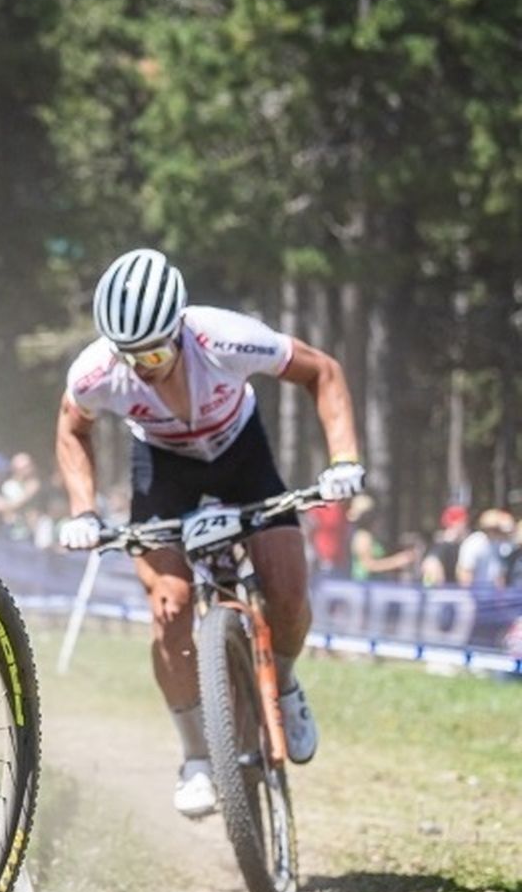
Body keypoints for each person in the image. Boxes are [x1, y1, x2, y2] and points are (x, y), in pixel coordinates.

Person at [54, 248, 365, 818]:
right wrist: (83, 510)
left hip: (241, 454)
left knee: (288, 590)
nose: (142, 366)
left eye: (152, 350)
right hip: (162, 466)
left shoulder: (225, 336)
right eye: (130, 355)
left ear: (179, 328)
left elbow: (322, 372)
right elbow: (72, 430)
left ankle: (288, 684)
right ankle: (197, 755)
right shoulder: (96, 370)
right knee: (169, 606)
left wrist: (343, 460)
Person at [346, 494, 416, 581]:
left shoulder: (370, 536)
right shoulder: (362, 537)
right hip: (365, 586)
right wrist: (397, 561)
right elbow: (369, 565)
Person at [456, 508, 514, 588]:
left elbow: (500, 575)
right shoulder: (474, 543)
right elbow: (465, 573)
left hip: (493, 596)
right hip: (476, 595)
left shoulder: (502, 545)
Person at [421, 505, 469, 586]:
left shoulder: (462, 544)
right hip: (445, 595)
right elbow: (429, 567)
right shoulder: (442, 545)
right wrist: (435, 589)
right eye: (464, 521)